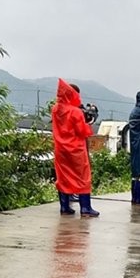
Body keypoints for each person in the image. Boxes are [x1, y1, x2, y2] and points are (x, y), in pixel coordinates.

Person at [52, 79, 99, 217]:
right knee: (83, 177)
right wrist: (89, 122)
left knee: (63, 177)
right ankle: (85, 208)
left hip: (60, 149)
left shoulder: (55, 109)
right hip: (76, 149)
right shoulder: (76, 112)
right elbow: (82, 131)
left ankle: (64, 207)